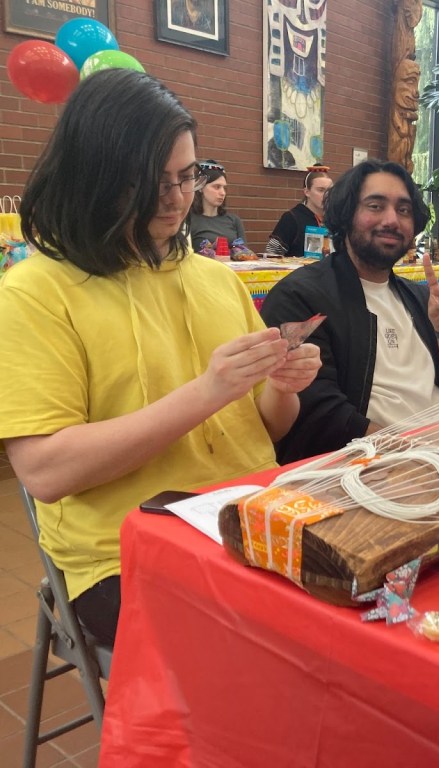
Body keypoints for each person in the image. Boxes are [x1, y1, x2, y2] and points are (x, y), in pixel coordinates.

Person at [0, 69, 322, 644]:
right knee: (281, 649)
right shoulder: (35, 293)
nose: (177, 200)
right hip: (123, 552)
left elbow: (267, 429)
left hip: (246, 518)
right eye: (154, 182)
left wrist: (281, 387)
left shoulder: (214, 281)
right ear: (95, 178)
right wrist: (207, 392)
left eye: (186, 176)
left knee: (372, 604)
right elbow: (45, 471)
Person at [260, 159, 439, 464]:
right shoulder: (299, 297)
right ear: (346, 215)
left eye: (404, 210)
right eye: (375, 206)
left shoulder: (417, 297)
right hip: (376, 466)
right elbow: (319, 415)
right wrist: (412, 453)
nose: (392, 219)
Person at [187, 160, 253, 259]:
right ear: (200, 187)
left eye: (224, 188)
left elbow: (245, 253)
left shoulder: (233, 220)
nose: (222, 193)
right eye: (217, 187)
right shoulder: (188, 220)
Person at [265, 166, 333, 256]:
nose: (326, 195)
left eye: (330, 190)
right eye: (321, 190)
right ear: (307, 192)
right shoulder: (292, 218)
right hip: (299, 269)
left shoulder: (335, 219)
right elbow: (272, 252)